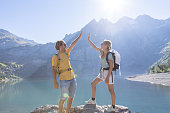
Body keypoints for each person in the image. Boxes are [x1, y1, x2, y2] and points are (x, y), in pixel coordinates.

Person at [52, 31, 82, 113]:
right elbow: (54, 69)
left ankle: (67, 112)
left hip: (72, 78)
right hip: (64, 80)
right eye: (64, 45)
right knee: (63, 98)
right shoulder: (55, 57)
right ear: (60, 46)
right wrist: (55, 81)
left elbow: (72, 44)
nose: (66, 46)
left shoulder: (67, 53)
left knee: (71, 97)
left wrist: (79, 37)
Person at [85, 32, 116, 112]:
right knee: (93, 84)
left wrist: (107, 77)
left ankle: (113, 107)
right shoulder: (102, 52)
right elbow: (94, 47)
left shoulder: (109, 54)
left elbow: (111, 67)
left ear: (106, 46)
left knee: (111, 90)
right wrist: (89, 40)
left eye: (102, 43)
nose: (101, 44)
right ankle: (93, 100)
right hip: (102, 72)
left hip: (108, 73)